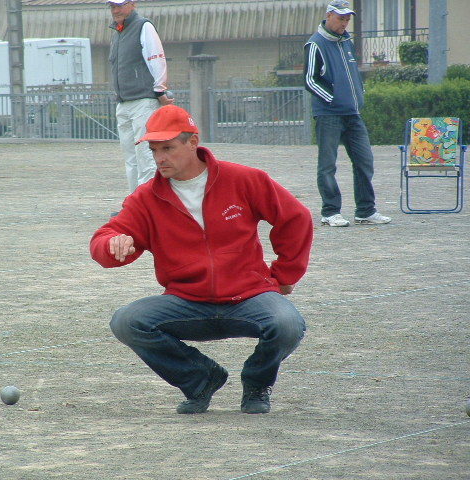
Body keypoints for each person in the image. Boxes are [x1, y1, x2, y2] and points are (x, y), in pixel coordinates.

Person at [90, 105, 313, 414]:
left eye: (168, 148)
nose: (159, 158)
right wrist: (112, 244)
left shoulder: (245, 179)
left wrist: (286, 275)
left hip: (249, 295)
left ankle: (257, 384)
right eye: (154, 150)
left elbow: (296, 218)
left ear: (193, 143)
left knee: (288, 323)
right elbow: (104, 239)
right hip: (186, 301)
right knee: (127, 321)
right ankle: (201, 379)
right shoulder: (145, 198)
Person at [303, 0, 391, 227]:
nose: (344, 23)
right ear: (329, 16)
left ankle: (365, 211)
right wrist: (333, 99)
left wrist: (358, 95)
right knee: (328, 165)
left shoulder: (347, 43)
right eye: (341, 18)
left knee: (365, 161)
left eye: (347, 19)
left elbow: (354, 75)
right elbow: (309, 80)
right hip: (328, 115)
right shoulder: (315, 44)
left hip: (353, 115)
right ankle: (330, 212)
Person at [108, 0, 174, 193]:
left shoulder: (143, 26)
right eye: (112, 6)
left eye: (120, 5)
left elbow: (157, 58)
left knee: (145, 155)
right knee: (131, 158)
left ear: (133, 5)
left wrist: (160, 90)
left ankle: (149, 206)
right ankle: (134, 205)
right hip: (123, 102)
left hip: (143, 101)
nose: (116, 9)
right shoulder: (117, 33)